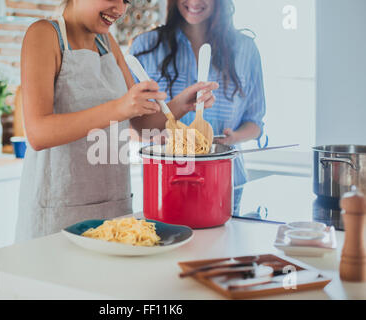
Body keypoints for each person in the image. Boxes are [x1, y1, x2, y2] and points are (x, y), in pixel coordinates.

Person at [16, 0, 218, 241]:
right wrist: (119, 108)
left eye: (126, 1)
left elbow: (141, 124)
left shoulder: (107, 42)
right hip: (58, 214)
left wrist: (182, 104)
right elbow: (38, 134)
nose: (121, 10)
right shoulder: (43, 35)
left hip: (112, 210)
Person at [129, 0, 266, 214]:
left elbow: (255, 122)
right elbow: (130, 126)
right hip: (165, 181)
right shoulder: (145, 47)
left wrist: (234, 137)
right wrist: (155, 138)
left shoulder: (245, 49)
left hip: (227, 182)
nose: (194, 2)